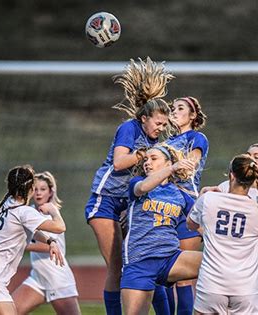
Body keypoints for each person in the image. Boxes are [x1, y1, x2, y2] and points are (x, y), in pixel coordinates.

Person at [84, 57, 174, 315]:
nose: (161, 128)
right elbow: (120, 162)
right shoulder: (129, 128)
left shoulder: (151, 137)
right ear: (144, 118)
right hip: (105, 201)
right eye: (158, 123)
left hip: (128, 205)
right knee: (117, 266)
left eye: (164, 125)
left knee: (143, 263)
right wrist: (144, 154)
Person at [187, 154, 258, 314]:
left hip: (211, 283)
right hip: (245, 287)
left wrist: (202, 195)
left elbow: (191, 224)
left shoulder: (209, 199)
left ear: (231, 175)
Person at [0, 165, 66, 315]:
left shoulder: (9, 204)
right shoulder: (24, 212)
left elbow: (32, 230)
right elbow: (60, 227)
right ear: (30, 188)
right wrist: (53, 210)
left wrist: (50, 241)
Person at [121, 144, 202, 315]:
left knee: (217, 262)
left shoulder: (181, 195)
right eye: (145, 160)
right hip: (140, 262)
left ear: (167, 163)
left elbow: (201, 225)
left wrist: (208, 195)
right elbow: (143, 188)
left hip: (170, 259)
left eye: (153, 158)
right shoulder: (137, 183)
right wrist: (173, 168)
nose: (147, 163)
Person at [12, 171, 81, 315]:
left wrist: (21, 246)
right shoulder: (28, 211)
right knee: (8, 312)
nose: (38, 193)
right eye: (35, 189)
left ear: (50, 192)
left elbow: (51, 246)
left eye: (43, 189)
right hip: (38, 277)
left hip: (57, 277)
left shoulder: (51, 214)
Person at [164, 96, 208, 315]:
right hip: (163, 208)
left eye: (180, 108)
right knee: (160, 276)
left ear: (192, 115)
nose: (174, 111)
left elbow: (192, 161)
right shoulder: (164, 142)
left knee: (182, 278)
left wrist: (175, 165)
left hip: (185, 207)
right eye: (172, 108)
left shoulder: (196, 137)